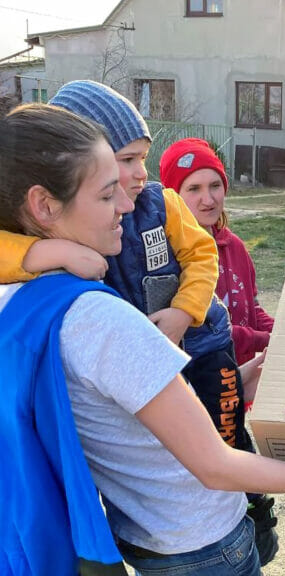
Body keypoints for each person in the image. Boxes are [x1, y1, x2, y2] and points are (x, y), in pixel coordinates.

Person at [0, 103, 285, 576]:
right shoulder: (99, 317)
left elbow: (117, 411)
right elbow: (215, 467)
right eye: (108, 195)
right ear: (44, 205)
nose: (126, 206)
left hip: (147, 535)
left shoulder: (21, 301)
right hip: (202, 543)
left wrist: (239, 378)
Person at [0, 80, 259, 566]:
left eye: (143, 157)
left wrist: (184, 314)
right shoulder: (82, 294)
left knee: (229, 429)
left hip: (201, 345)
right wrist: (50, 250)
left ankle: (256, 513)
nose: (137, 176)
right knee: (200, 455)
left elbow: (203, 254)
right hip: (147, 377)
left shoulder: (159, 203)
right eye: (123, 162)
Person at [159, 138, 274, 367]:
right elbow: (207, 329)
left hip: (243, 381)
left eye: (215, 185)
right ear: (174, 198)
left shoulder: (235, 246)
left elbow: (252, 310)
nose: (208, 200)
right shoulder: (168, 258)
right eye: (194, 189)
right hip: (202, 386)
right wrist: (270, 340)